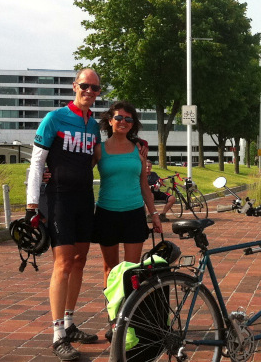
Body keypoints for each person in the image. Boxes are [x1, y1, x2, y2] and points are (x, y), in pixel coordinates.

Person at [26, 68, 102, 361]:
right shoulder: (54, 118)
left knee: (80, 261)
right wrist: (32, 205)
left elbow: (93, 161)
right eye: (85, 86)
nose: (90, 92)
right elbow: (36, 163)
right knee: (63, 263)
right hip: (58, 199)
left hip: (85, 198)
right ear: (74, 86)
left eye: (95, 88)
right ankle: (58, 335)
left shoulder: (93, 125)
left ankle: (69, 323)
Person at [92, 101, 164, 288]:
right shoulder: (99, 149)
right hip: (106, 214)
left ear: (132, 124)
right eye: (118, 117)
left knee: (131, 270)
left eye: (128, 119)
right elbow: (80, 174)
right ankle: (113, 314)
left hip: (134, 214)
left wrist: (154, 214)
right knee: (110, 268)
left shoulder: (138, 151)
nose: (123, 121)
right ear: (110, 121)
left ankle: (128, 314)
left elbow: (144, 186)